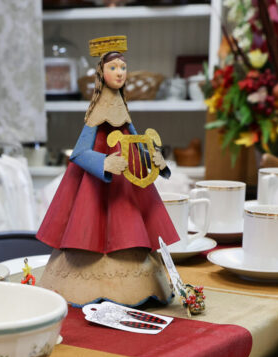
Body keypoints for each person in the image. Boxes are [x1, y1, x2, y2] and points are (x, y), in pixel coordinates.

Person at [36, 35, 179, 307]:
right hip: (94, 187)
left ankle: (136, 284)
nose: (120, 73)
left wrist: (155, 160)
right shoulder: (98, 110)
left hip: (125, 186)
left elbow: (136, 142)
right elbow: (79, 153)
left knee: (130, 227)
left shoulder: (122, 107)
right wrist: (103, 163)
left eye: (123, 68)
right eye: (113, 68)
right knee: (89, 227)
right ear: (102, 72)